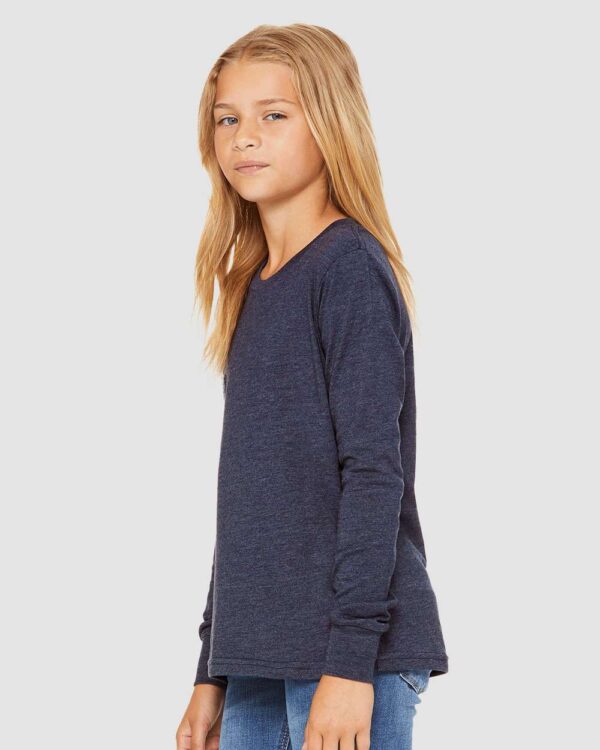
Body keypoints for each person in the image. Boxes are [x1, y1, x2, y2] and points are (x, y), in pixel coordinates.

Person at [176, 23, 449, 750]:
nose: (244, 137)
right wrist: (211, 669)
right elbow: (251, 500)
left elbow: (374, 473)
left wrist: (351, 661)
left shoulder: (348, 270)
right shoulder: (252, 287)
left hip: (346, 658)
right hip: (257, 658)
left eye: (273, 115)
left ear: (329, 122)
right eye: (227, 119)